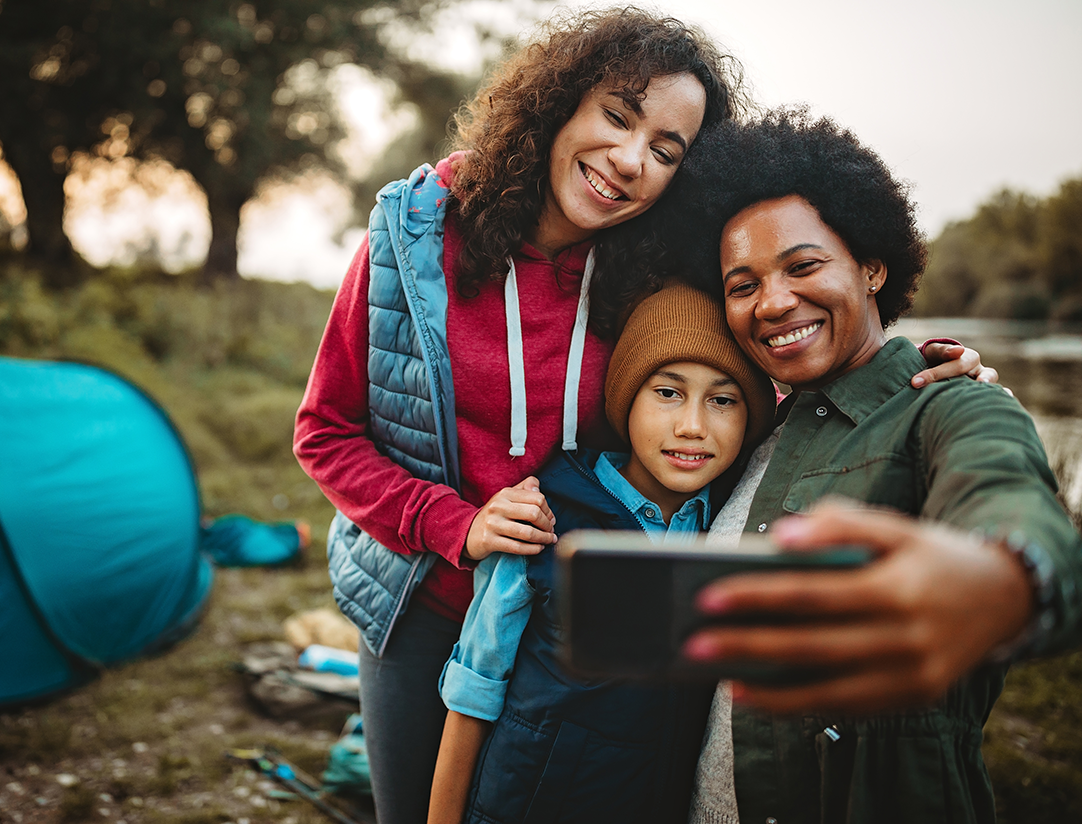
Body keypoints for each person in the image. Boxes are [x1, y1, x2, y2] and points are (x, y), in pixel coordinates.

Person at [293, 10, 990, 822]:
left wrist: (923, 368)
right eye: (618, 117)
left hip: (592, 608)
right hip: (426, 599)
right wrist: (456, 524)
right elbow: (325, 432)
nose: (630, 162)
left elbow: (781, 351)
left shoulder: (666, 271)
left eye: (667, 151)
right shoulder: (412, 238)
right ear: (560, 105)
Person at [652, 109, 1082, 824]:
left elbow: (1014, 503)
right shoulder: (752, 425)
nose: (774, 301)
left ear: (872, 265)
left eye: (803, 265)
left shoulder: (953, 406)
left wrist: (1003, 580)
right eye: (742, 284)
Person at [425, 282, 775, 824]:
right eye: (668, 392)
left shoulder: (732, 526)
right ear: (625, 398)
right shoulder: (543, 519)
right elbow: (473, 692)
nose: (693, 426)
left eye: (724, 400)